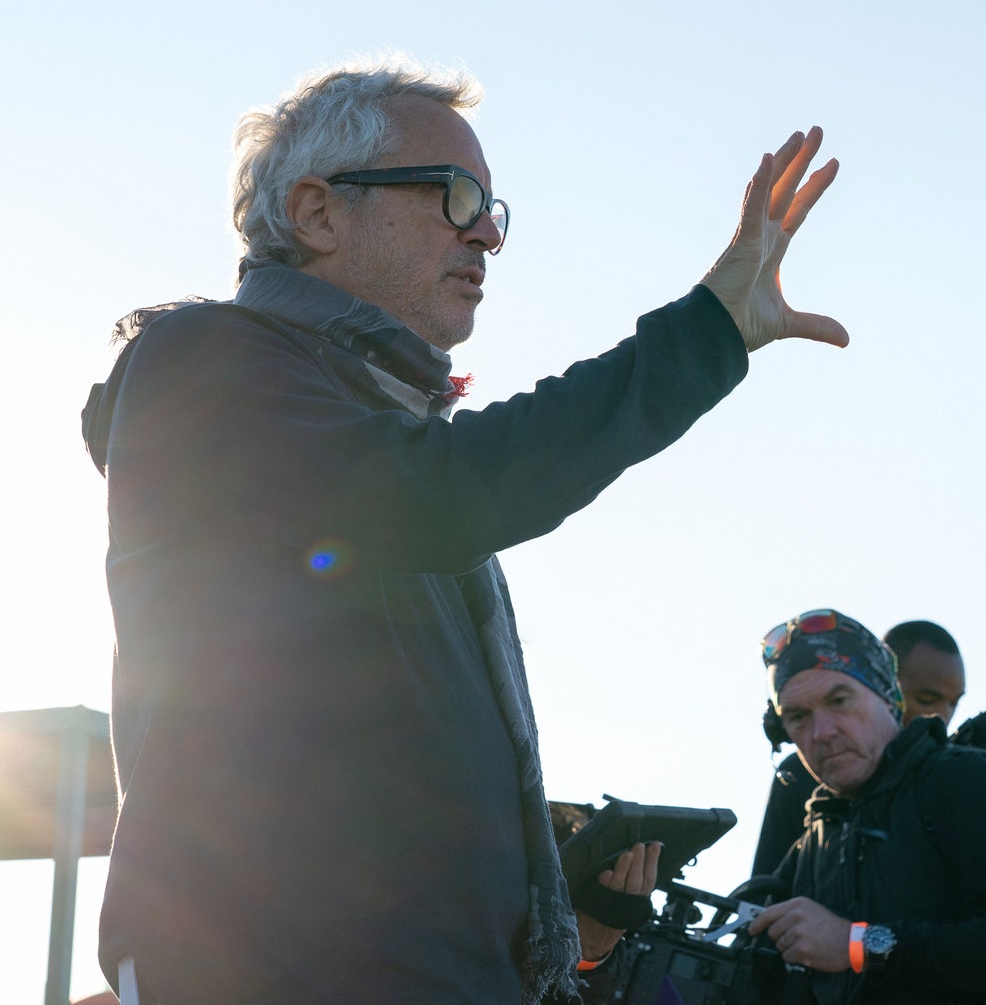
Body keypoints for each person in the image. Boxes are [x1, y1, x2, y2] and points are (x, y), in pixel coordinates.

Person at [80, 56, 847, 1003]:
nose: (486, 232)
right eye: (452, 195)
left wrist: (557, 897)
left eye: (492, 207)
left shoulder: (383, 439)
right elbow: (432, 498)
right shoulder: (203, 363)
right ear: (318, 212)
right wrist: (709, 330)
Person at [747, 610, 986, 1004]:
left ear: (889, 697)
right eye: (798, 717)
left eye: (840, 700)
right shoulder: (814, 839)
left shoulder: (969, 780)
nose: (823, 732)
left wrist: (857, 944)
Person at [752, 618, 968, 877]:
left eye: (953, 704)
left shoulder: (964, 777)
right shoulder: (802, 778)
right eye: (925, 699)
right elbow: (759, 901)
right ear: (888, 689)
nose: (942, 717)